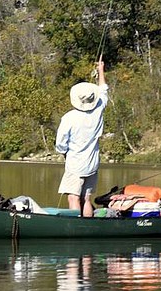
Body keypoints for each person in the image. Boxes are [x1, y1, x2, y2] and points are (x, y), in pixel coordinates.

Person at [55, 60, 108, 217]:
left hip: (75, 164)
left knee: (73, 197)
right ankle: (88, 229)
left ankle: (76, 229)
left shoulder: (69, 118)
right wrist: (101, 70)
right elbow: (104, 90)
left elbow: (60, 144)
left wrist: (64, 153)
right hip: (92, 163)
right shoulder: (98, 110)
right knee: (86, 198)